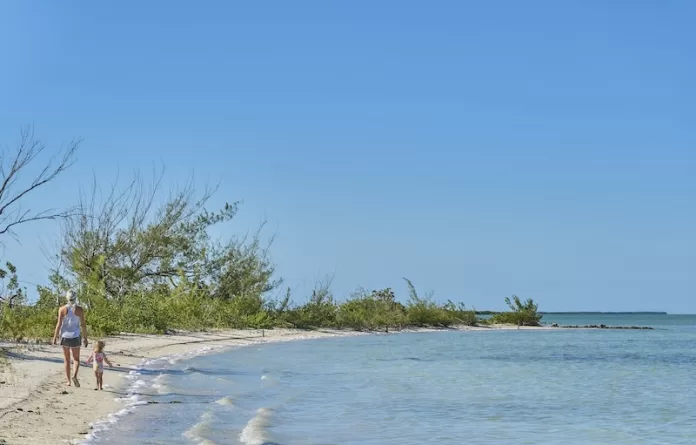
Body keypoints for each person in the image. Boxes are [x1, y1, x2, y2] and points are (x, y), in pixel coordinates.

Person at [52, 290, 88, 387]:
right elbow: (83, 325)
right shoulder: (80, 309)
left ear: (67, 298)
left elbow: (58, 324)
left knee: (66, 359)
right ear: (75, 298)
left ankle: (68, 381)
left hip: (65, 336)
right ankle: (75, 375)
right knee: (76, 359)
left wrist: (55, 337)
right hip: (75, 336)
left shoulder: (62, 309)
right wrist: (85, 338)